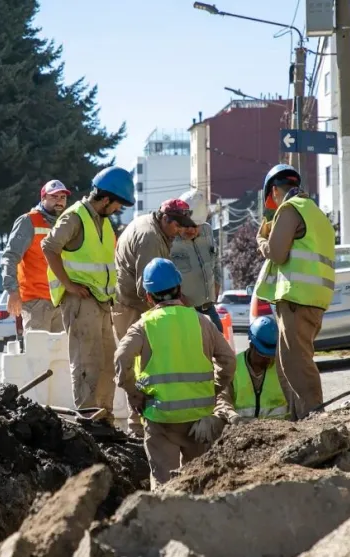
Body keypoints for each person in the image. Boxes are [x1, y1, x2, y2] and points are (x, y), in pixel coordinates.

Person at [114, 258, 236, 489]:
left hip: (161, 418)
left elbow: (121, 359)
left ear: (149, 297)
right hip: (199, 417)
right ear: (179, 289)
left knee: (164, 484)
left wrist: (134, 393)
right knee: (199, 482)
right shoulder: (202, 321)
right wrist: (212, 389)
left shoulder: (144, 326)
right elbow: (228, 361)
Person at [42, 166, 132, 420]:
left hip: (101, 302)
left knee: (105, 365)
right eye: (117, 205)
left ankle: (103, 418)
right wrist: (68, 285)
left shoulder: (101, 222)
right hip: (81, 301)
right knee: (86, 364)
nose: (118, 210)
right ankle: (89, 420)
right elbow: (49, 248)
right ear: (105, 199)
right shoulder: (75, 217)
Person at [255, 163, 336, 421]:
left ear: (275, 191)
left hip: (296, 299)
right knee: (288, 363)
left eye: (273, 197)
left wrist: (262, 241)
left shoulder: (290, 210)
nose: (275, 203)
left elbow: (277, 253)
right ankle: (298, 419)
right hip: (313, 298)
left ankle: (314, 418)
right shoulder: (316, 213)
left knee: (297, 365)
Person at [113, 198, 196, 435]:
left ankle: (145, 422)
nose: (180, 230)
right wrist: (176, 309)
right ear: (164, 218)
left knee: (146, 362)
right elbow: (149, 288)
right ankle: (138, 426)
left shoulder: (156, 229)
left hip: (135, 302)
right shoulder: (150, 238)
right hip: (132, 305)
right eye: (177, 225)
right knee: (142, 363)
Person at [0, 180, 70, 332]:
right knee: (38, 353)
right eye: (54, 197)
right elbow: (10, 257)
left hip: (61, 301)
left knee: (61, 355)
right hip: (36, 302)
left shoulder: (65, 225)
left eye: (62, 197)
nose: (59, 201)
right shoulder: (28, 221)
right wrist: (12, 291)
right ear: (43, 198)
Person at [215, 315, 289, 423]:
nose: (268, 360)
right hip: (241, 430)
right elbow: (221, 398)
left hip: (281, 432)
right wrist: (232, 416)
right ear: (251, 345)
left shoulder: (282, 368)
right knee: (210, 422)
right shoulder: (233, 367)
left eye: (272, 356)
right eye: (263, 355)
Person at [171, 189, 223, 333]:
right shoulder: (169, 239)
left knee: (220, 347)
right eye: (187, 225)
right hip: (183, 311)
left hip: (208, 308)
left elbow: (216, 260)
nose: (191, 230)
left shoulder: (208, 231)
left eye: (196, 226)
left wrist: (218, 283)